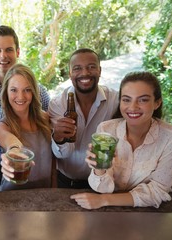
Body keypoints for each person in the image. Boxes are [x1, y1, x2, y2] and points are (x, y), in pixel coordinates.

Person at [71, 71, 172, 209]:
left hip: (150, 213)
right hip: (112, 211)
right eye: (126, 99)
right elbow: (102, 188)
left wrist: (104, 200)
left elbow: (158, 191)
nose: (133, 107)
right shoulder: (107, 130)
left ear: (157, 103)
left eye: (143, 100)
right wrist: (99, 169)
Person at [0, 25, 51, 190]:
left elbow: (47, 130)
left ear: (18, 52)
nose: (3, 56)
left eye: (8, 50)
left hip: (26, 164)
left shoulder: (39, 91)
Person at [49, 48, 119, 189]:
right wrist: (59, 138)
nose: (85, 73)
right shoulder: (58, 104)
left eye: (91, 67)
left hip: (103, 180)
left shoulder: (115, 100)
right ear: (70, 74)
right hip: (67, 181)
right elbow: (64, 154)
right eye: (77, 68)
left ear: (100, 70)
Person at [0, 63, 53, 190]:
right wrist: (14, 150)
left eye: (27, 90)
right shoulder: (1, 127)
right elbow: (10, 142)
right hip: (12, 195)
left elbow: (54, 162)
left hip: (44, 194)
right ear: (6, 93)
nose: (20, 97)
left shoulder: (46, 118)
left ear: (34, 92)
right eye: (14, 90)